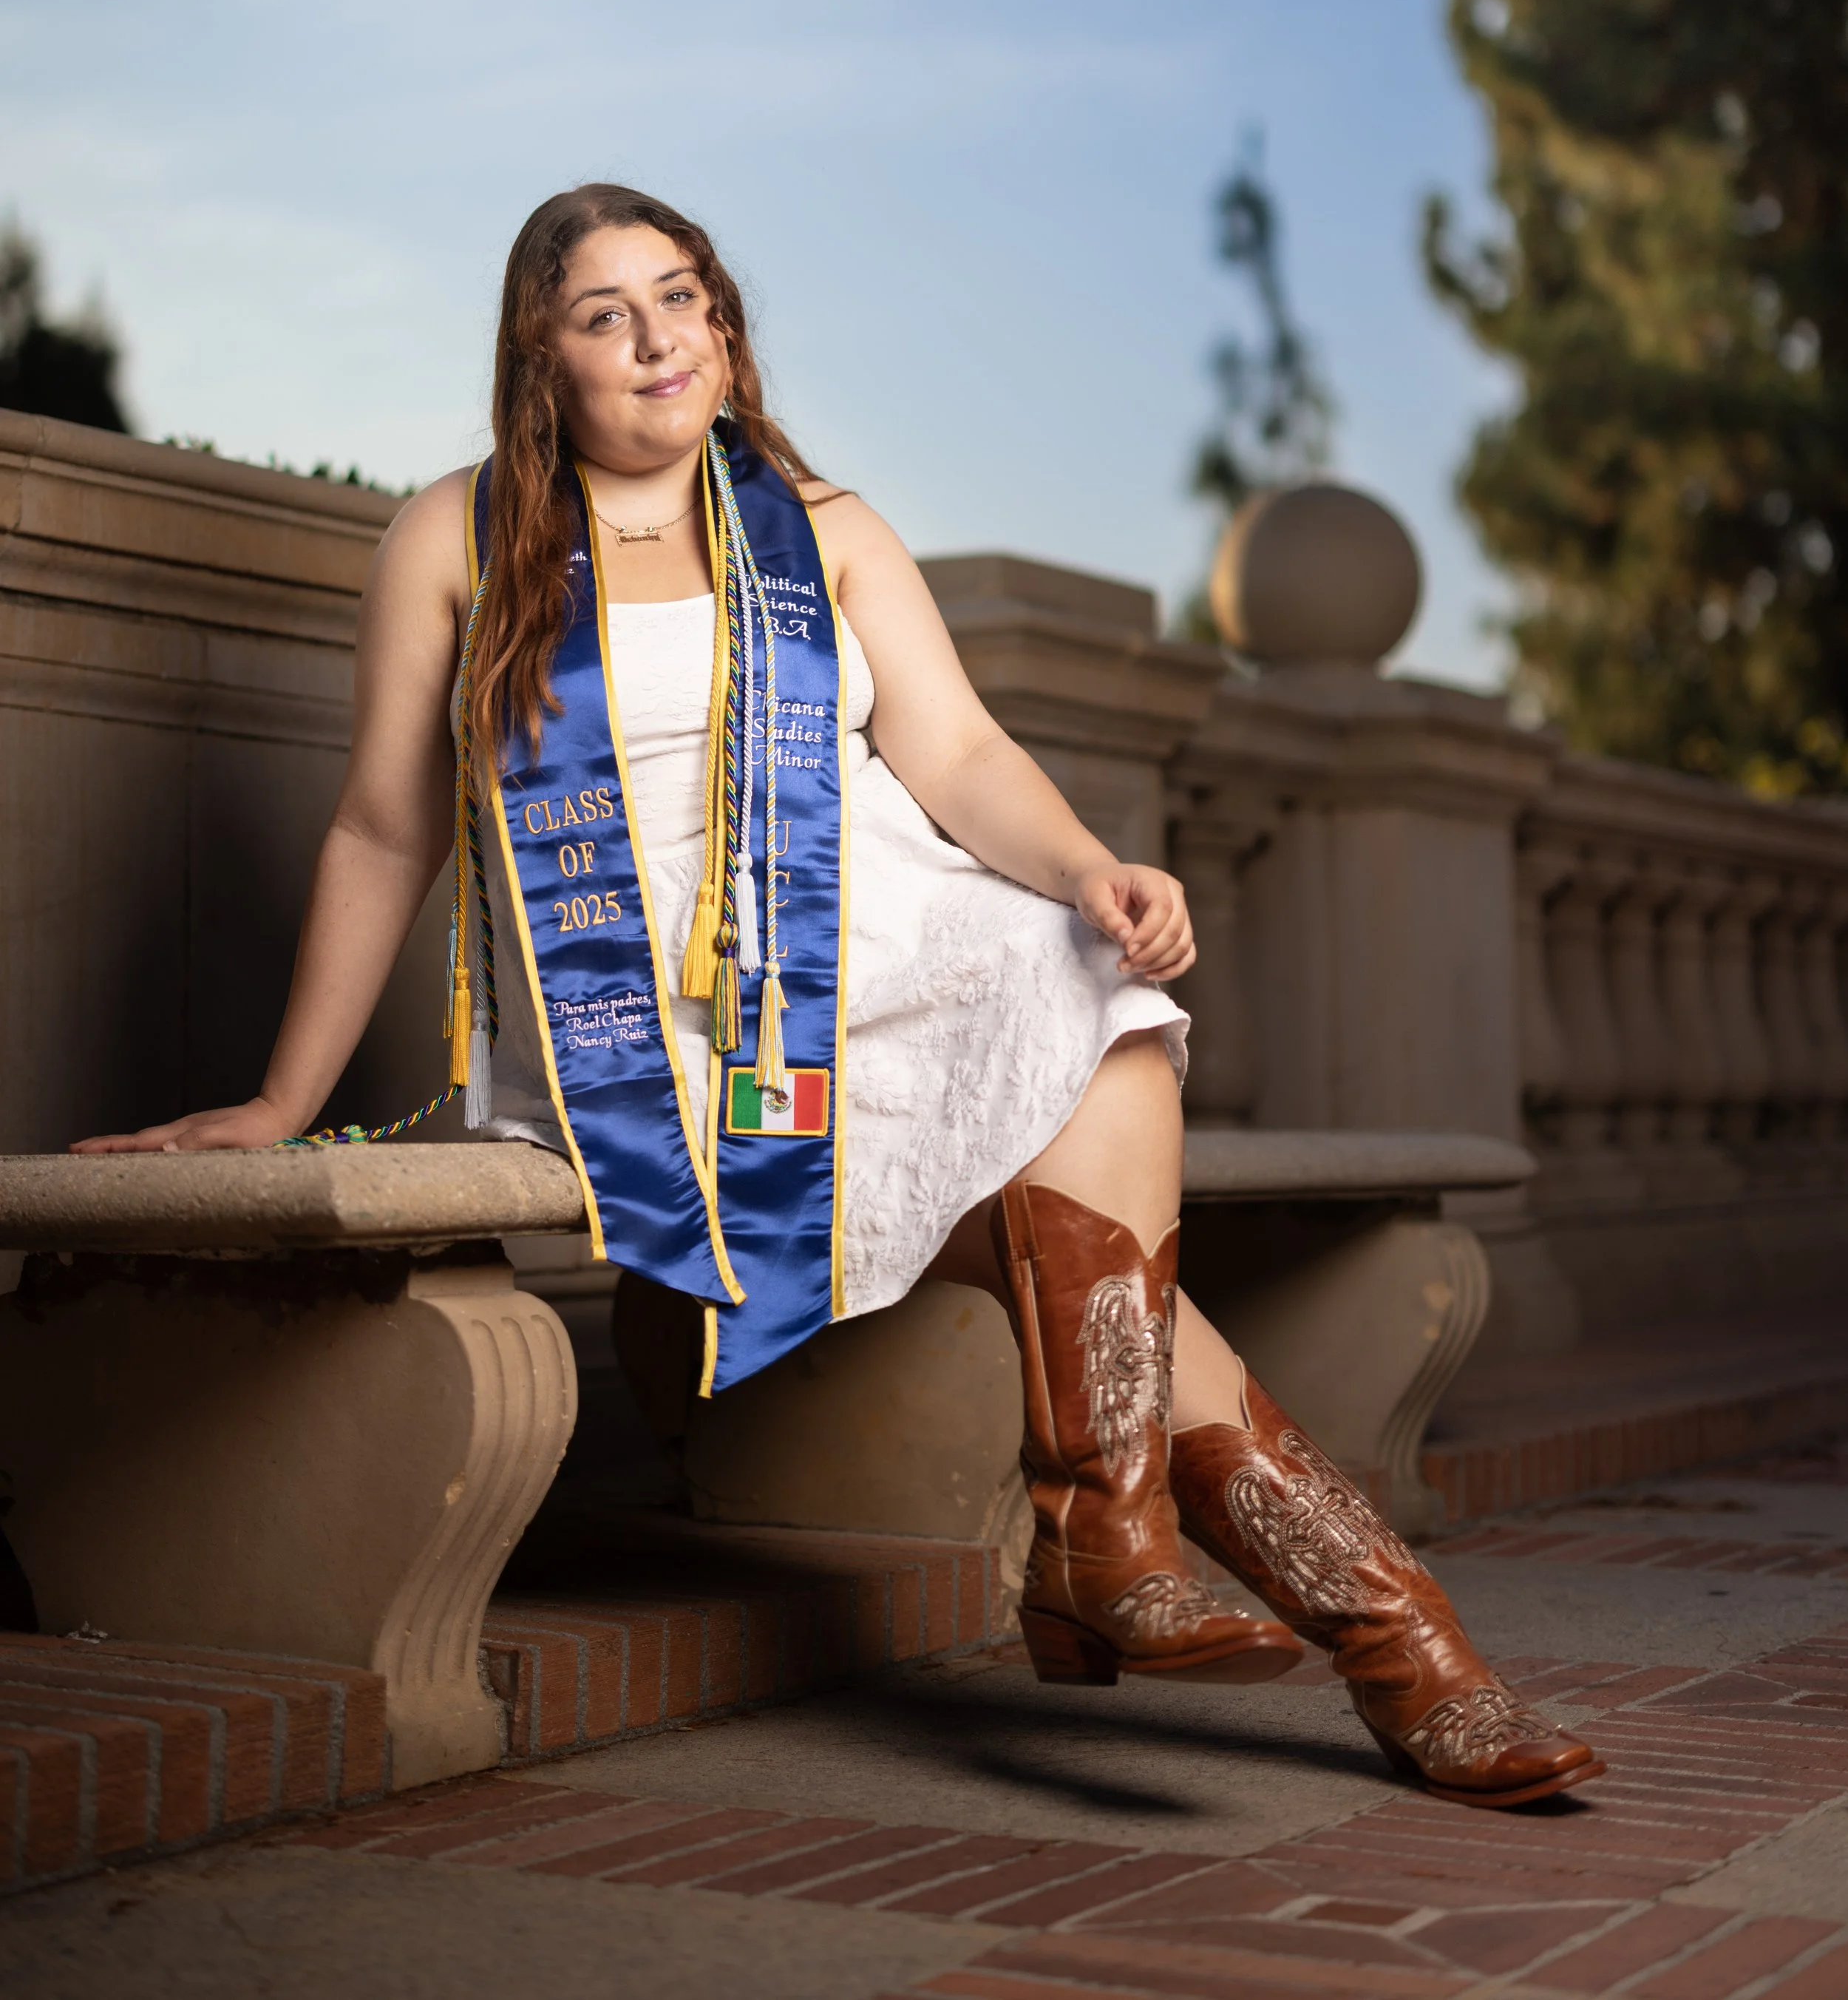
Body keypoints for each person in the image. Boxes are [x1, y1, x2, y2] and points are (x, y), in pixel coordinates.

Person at [77, 184, 1601, 1809]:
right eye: (608, 312)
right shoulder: (452, 536)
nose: (660, 338)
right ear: (543, 359)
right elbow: (385, 825)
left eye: (685, 297)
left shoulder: (823, 527)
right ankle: (1369, 1633)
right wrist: (280, 1102)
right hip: (646, 1033)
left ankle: (1123, 1534)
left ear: (724, 325)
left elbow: (952, 754)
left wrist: (1091, 868)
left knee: (1092, 976)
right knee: (1092, 1264)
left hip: (878, 961)